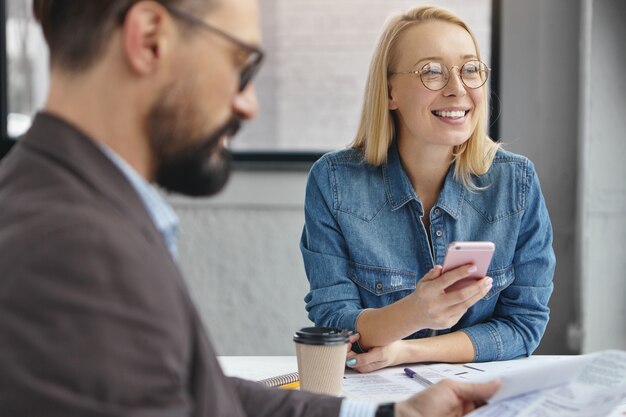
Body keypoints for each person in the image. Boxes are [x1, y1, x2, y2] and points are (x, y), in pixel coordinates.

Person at [0, 1, 500, 416]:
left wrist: (392, 414)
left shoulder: (81, 205)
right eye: (242, 65)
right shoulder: (71, 248)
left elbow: (197, 394)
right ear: (150, 39)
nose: (249, 104)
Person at [300, 5, 556, 373]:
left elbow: (523, 325)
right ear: (390, 92)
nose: (457, 89)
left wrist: (407, 350)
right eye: (432, 72)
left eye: (470, 70)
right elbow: (333, 321)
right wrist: (415, 312)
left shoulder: (517, 183)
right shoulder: (334, 182)